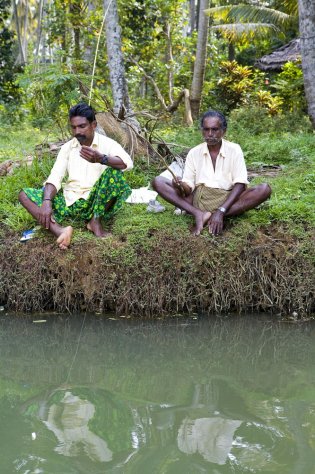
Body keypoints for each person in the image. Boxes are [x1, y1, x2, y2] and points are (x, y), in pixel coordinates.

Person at [19, 103, 133, 249]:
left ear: (93, 125)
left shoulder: (108, 144)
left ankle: (95, 222)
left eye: (82, 126)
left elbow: (127, 164)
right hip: (69, 203)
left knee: (114, 173)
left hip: (95, 203)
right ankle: (60, 230)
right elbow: (55, 177)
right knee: (24, 195)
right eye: (74, 127)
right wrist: (47, 202)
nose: (77, 131)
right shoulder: (68, 147)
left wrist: (102, 159)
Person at [152, 110, 271, 236]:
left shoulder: (234, 149)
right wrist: (180, 185)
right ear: (202, 131)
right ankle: (197, 213)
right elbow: (187, 189)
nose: (210, 134)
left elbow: (240, 184)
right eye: (206, 129)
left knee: (264, 189)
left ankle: (214, 215)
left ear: (223, 131)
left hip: (228, 200)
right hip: (199, 200)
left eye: (215, 129)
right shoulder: (194, 152)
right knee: (158, 181)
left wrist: (221, 211)